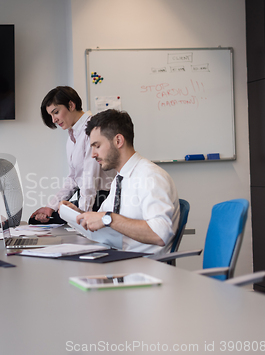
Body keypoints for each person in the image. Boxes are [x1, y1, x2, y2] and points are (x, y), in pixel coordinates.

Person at [65, 109, 180, 255]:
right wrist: (80, 215)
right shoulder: (120, 179)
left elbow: (160, 234)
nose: (93, 154)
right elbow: (103, 219)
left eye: (97, 146)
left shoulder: (150, 176)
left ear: (118, 141)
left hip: (143, 270)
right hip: (119, 261)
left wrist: (108, 219)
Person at [29, 86, 115, 224]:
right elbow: (73, 178)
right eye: (51, 115)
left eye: (56, 112)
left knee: (52, 220)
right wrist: (51, 206)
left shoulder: (92, 129)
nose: (54, 120)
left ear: (71, 105)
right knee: (35, 220)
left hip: (100, 198)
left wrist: (83, 216)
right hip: (86, 196)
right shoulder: (72, 137)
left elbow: (89, 180)